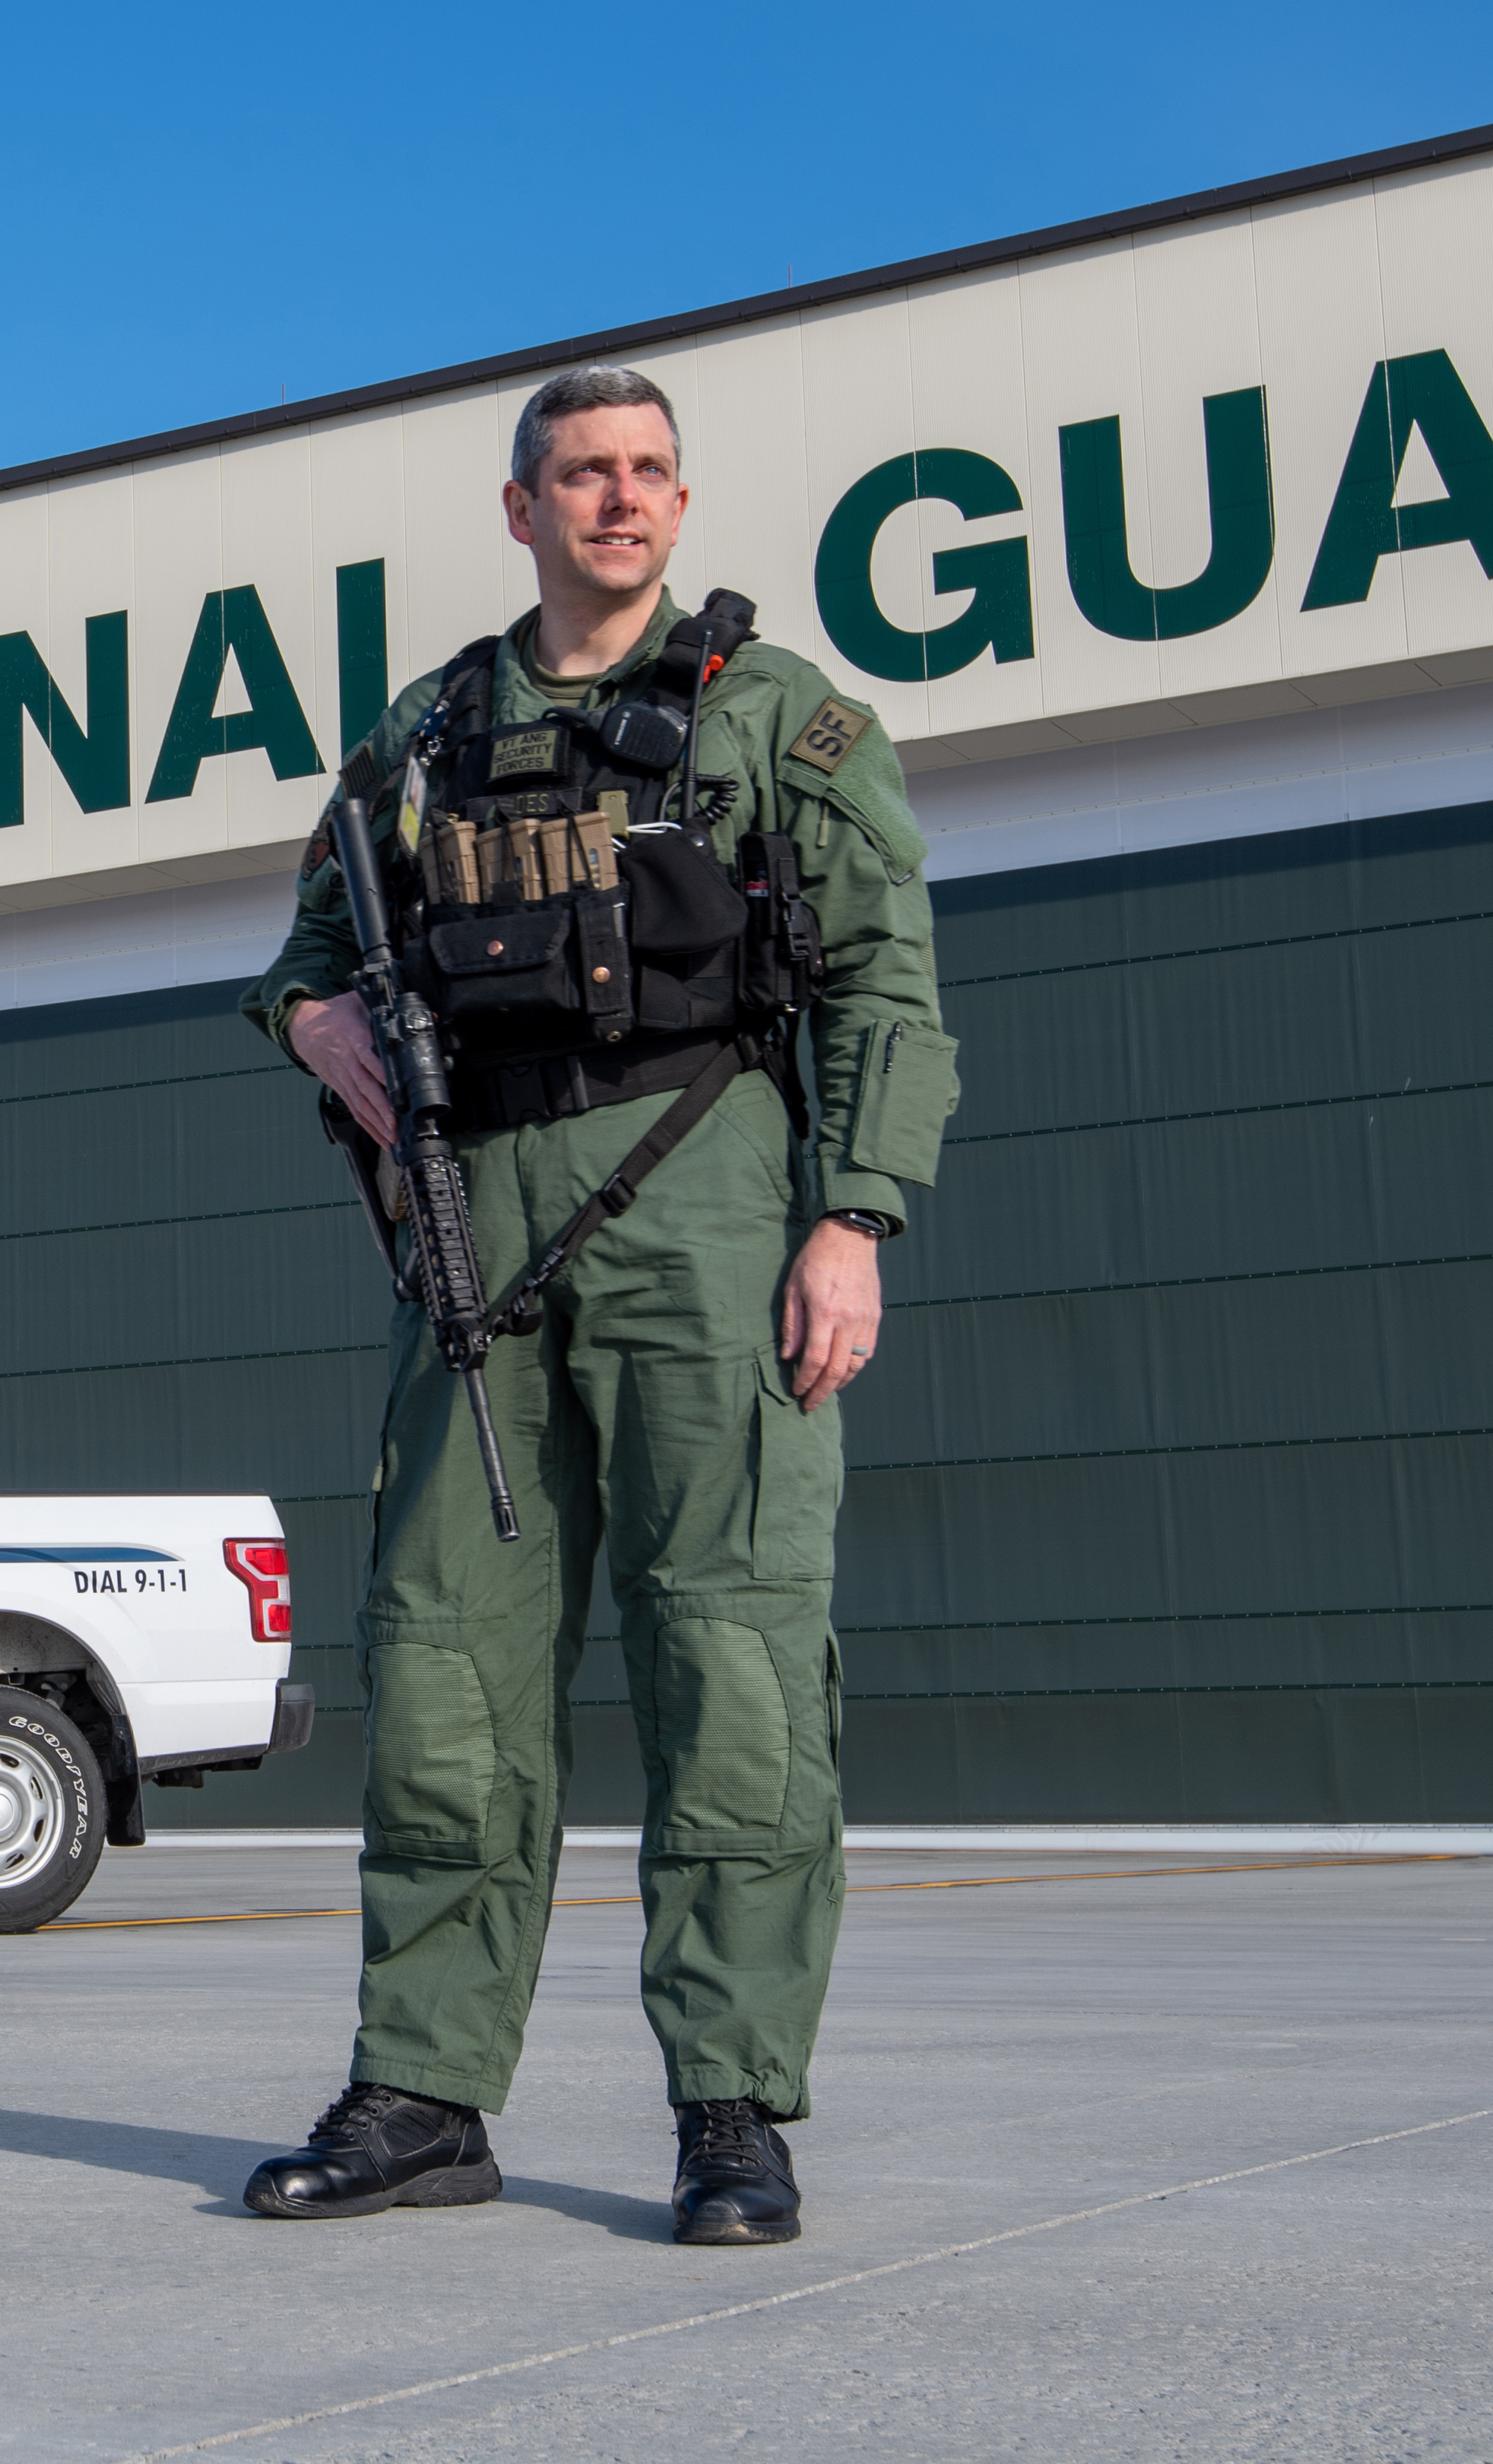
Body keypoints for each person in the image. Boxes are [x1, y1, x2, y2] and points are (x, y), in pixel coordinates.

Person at [233, 363, 956, 2244]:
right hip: (478, 1222)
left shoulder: (779, 718)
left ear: (678, 502)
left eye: (645, 472)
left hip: (707, 1188)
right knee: (447, 1667)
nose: (616, 500)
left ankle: (733, 2110)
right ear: (521, 508)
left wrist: (851, 1215)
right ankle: (424, 2088)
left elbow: (883, 982)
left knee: (732, 1654)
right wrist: (322, 1025)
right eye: (580, 474)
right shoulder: (422, 735)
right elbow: (308, 959)